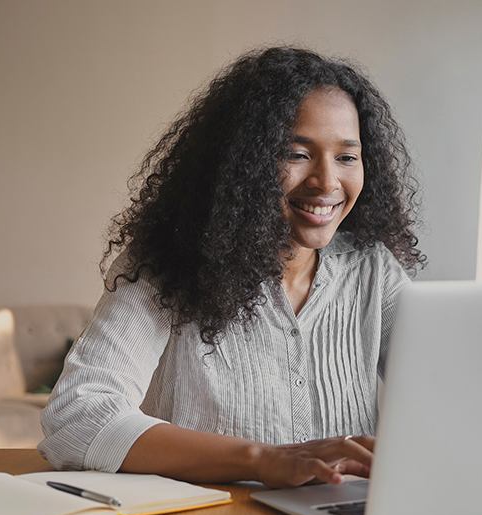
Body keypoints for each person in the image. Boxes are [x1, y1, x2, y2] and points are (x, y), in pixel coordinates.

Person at [39, 46, 424, 488]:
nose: (327, 182)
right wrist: (261, 460)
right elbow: (78, 417)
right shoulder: (165, 264)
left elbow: (452, 400)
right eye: (297, 154)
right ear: (244, 163)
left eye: (347, 157)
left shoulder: (373, 270)